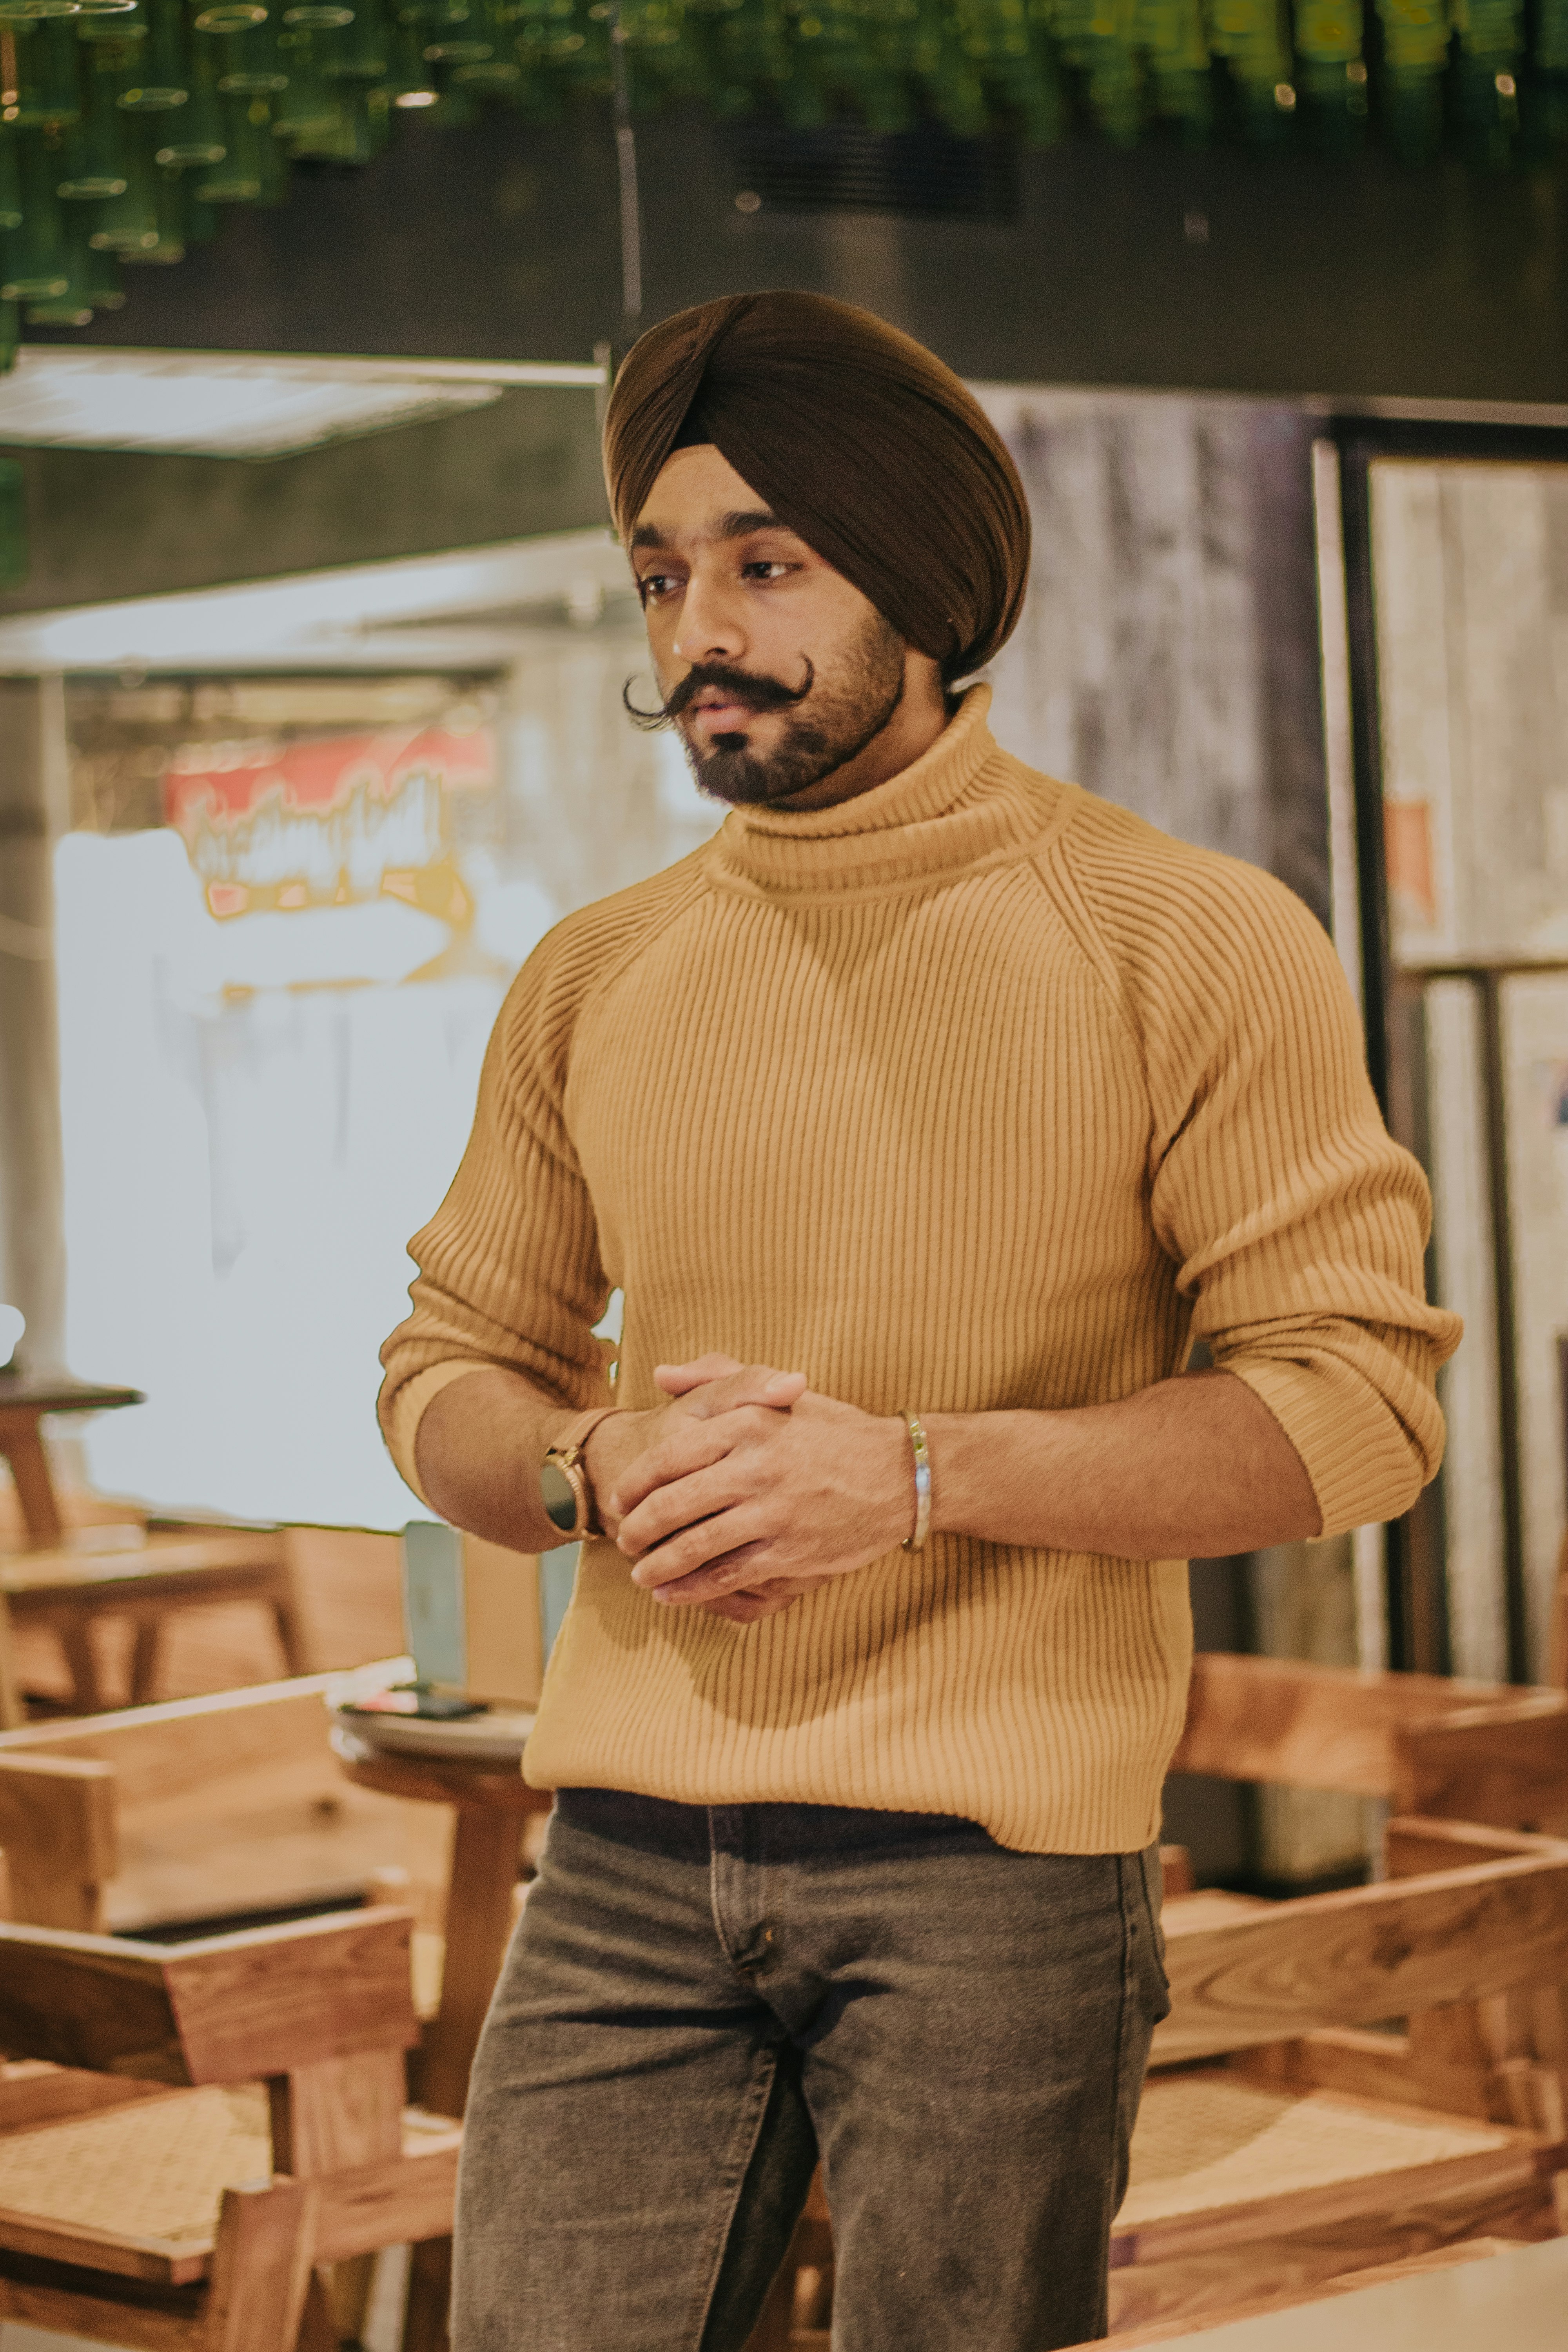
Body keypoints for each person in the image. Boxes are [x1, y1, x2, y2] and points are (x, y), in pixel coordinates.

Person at [378, 290, 1460, 2352]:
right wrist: (582, 1462)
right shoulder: (596, 976)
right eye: (661, 571)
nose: (698, 625)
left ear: (927, 585)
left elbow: (1358, 1413)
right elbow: (444, 1370)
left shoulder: (1186, 938)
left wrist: (922, 1480)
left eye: (765, 562)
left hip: (999, 1861)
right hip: (613, 1844)